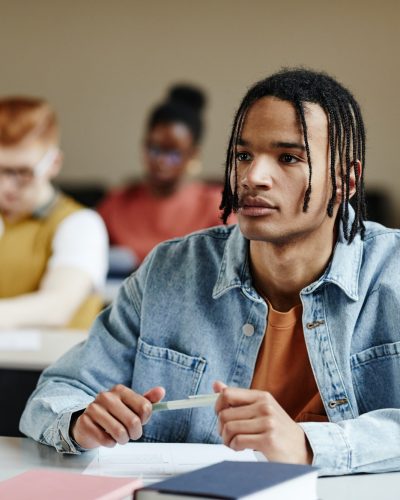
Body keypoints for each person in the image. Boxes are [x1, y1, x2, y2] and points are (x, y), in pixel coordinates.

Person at [20, 69, 400, 476]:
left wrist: (307, 445)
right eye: (243, 155)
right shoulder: (170, 271)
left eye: (288, 157)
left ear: (346, 180)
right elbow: (54, 395)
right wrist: (80, 422)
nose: (252, 177)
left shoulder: (391, 273)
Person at [0, 97, 108, 329]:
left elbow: (57, 308)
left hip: (50, 364)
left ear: (54, 163)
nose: (6, 186)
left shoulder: (80, 224)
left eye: (22, 173)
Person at [97, 84, 233, 266]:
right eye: (154, 149)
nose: (161, 160)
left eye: (173, 154)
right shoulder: (118, 204)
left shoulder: (216, 207)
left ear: (193, 155)